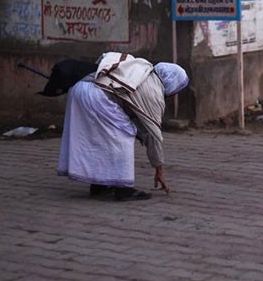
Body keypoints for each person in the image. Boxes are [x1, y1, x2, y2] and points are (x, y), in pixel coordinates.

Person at [57, 52, 189, 201]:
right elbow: (153, 135)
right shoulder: (154, 91)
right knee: (123, 136)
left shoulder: (140, 66)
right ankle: (123, 190)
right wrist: (159, 169)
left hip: (80, 88)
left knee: (100, 140)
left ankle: (99, 185)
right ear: (172, 83)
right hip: (98, 97)